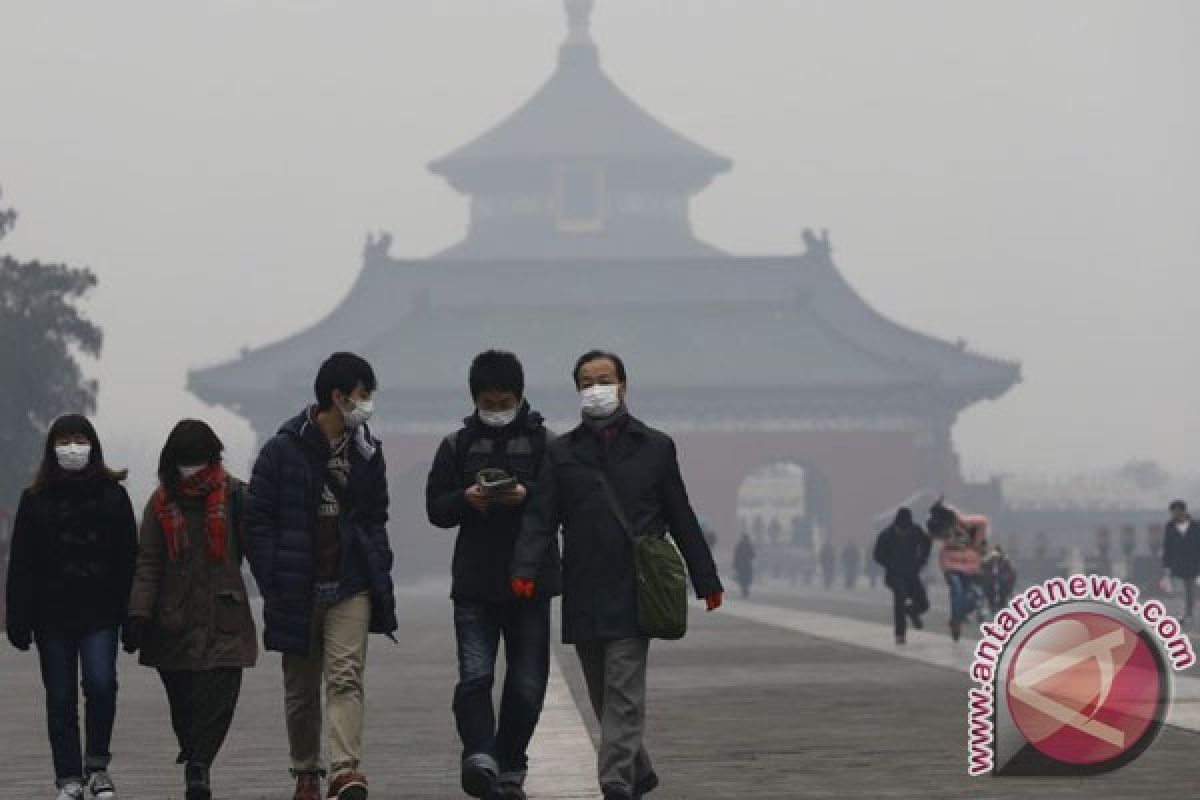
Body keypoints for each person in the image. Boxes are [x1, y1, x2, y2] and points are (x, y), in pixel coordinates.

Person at [511, 350, 724, 800]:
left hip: (636, 588)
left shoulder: (656, 447)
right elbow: (541, 516)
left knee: (623, 690)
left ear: (624, 385)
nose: (596, 389)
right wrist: (526, 567)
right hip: (584, 585)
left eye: (604, 379)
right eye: (586, 382)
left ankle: (614, 783)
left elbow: (680, 515)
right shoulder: (562, 453)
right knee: (603, 695)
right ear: (577, 392)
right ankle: (638, 770)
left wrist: (706, 579)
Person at [246, 352, 398, 800]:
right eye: (363, 395)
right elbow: (257, 520)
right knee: (301, 688)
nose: (367, 404)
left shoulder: (368, 451)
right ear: (339, 396)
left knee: (346, 677)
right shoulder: (282, 450)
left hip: (350, 583)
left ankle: (345, 770)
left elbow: (376, 516)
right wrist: (273, 575)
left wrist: (377, 563)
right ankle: (306, 771)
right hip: (297, 584)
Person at [425, 351, 562, 800]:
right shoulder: (455, 446)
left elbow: (563, 502)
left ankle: (510, 765)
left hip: (530, 584)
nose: (496, 409)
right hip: (475, 584)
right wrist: (467, 499)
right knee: (476, 677)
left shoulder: (547, 445)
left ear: (520, 397)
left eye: (504, 401)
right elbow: (436, 510)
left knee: (526, 684)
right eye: (488, 401)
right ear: (474, 399)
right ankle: (480, 757)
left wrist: (527, 494)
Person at [123, 420, 258, 800]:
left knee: (221, 697)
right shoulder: (160, 503)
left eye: (198, 460)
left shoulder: (236, 497)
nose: (192, 468)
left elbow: (259, 553)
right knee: (183, 705)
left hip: (225, 615)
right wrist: (138, 615)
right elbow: (148, 563)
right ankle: (193, 752)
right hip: (173, 620)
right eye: (185, 461)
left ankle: (199, 766)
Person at [4, 414, 136, 800]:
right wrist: (18, 617)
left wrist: (133, 616)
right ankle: (68, 777)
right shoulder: (35, 500)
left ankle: (97, 766)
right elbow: (22, 563)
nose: (72, 447)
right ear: (51, 449)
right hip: (51, 615)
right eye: (64, 440)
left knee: (101, 685)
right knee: (60, 696)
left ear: (93, 444)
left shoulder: (114, 496)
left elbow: (130, 559)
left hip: (101, 611)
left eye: (79, 439)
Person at [928, 499, 987, 642]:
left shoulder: (965, 522)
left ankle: (959, 616)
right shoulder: (936, 526)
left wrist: (975, 544)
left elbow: (982, 522)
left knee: (970, 596)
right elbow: (930, 539)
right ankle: (956, 621)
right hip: (950, 562)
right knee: (956, 589)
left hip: (969, 563)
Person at [872, 508, 931, 645]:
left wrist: (921, 560)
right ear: (896, 525)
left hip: (911, 574)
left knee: (924, 603)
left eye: (906, 529)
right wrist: (890, 564)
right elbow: (877, 555)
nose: (904, 531)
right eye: (902, 529)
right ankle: (900, 634)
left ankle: (911, 611)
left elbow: (927, 543)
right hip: (894, 575)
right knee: (900, 596)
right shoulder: (886, 535)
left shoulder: (915, 531)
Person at [1163, 500, 1200, 625]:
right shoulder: (1170, 526)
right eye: (1172, 512)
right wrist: (1166, 565)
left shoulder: (1196, 526)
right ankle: (1181, 615)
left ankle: (1189, 614)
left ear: (1183, 511)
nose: (1174, 515)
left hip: (1193, 565)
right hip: (1176, 564)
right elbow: (1167, 546)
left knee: (1191, 592)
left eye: (1177, 512)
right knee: (1179, 591)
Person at [980, 546, 1017, 615]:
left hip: (1003, 583)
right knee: (990, 593)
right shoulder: (988, 562)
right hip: (990, 583)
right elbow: (984, 572)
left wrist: (1004, 579)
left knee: (1003, 594)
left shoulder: (1005, 562)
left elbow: (1011, 573)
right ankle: (993, 607)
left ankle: (1001, 607)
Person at [733, 532, 756, 599]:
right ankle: (745, 589)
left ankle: (744, 589)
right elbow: (753, 555)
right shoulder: (748, 545)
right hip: (746, 564)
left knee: (742, 578)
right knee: (746, 577)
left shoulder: (739, 545)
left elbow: (736, 556)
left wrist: (735, 565)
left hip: (741, 565)